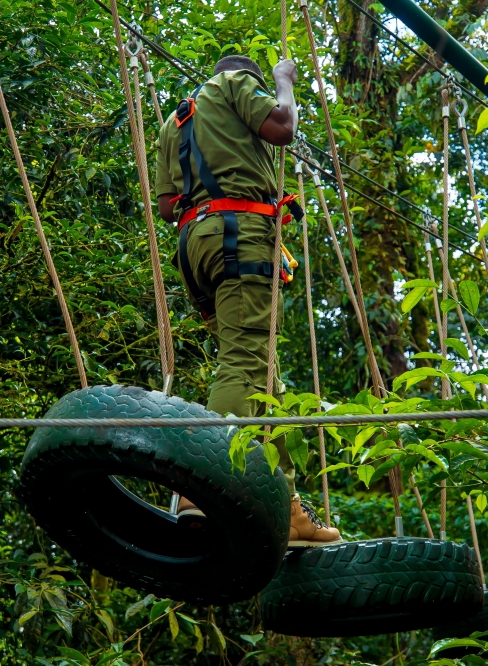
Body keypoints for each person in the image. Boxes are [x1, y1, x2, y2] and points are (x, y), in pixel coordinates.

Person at [154, 54, 341, 548]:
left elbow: (168, 205)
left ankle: (289, 509)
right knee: (244, 364)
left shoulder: (177, 119)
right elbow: (281, 128)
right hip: (239, 237)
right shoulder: (237, 82)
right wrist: (282, 81)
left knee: (263, 375)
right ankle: (200, 488)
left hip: (197, 247)